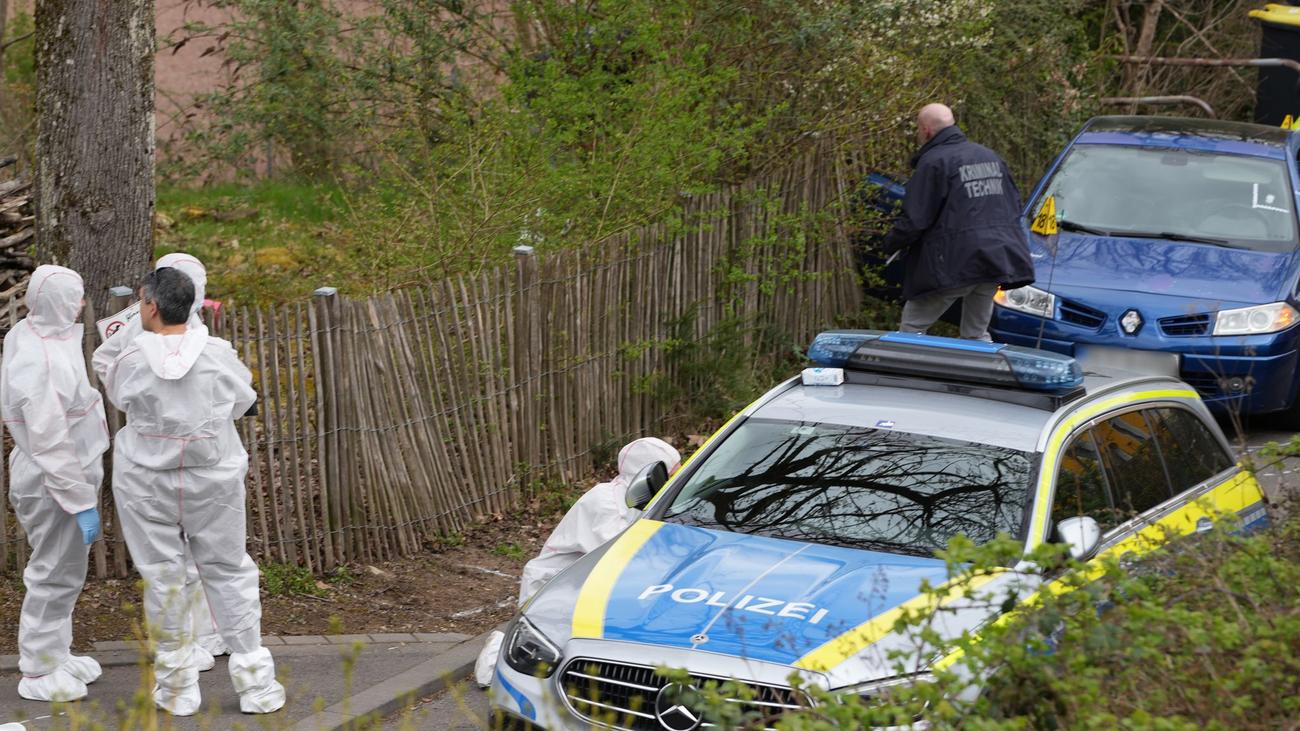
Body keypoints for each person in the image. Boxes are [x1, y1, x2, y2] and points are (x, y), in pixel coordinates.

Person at [95, 268, 285, 716]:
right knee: (229, 571)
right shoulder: (218, 354)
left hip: (147, 481)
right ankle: (256, 683)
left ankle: (178, 688)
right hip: (211, 476)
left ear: (151, 306)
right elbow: (242, 400)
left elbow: (118, 394)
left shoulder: (133, 357)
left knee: (164, 577)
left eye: (142, 302)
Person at [91, 252, 229, 669]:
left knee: (209, 553)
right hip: (157, 456)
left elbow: (236, 395)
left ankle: (208, 631)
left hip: (206, 454)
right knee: (170, 558)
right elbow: (107, 361)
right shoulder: (139, 322)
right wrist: (144, 403)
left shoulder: (204, 330)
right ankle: (179, 643)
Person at [473, 437, 682, 686]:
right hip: (558, 589)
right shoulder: (606, 503)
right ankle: (500, 651)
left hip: (586, 584)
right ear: (651, 472)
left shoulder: (636, 500)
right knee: (550, 664)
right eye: (673, 472)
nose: (678, 478)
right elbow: (619, 557)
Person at [1, 266, 110, 702]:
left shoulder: (33, 331)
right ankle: (38, 670)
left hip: (63, 472)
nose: (82, 304)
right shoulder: (40, 363)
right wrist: (79, 499)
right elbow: (50, 443)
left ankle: (55, 652)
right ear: (59, 303)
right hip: (55, 480)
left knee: (66, 570)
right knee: (53, 572)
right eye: (77, 297)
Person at [882, 103, 1035, 341]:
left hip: (954, 263)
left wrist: (889, 245)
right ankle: (985, 375)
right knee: (976, 335)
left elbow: (915, 220)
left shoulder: (933, 162)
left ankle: (907, 376)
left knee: (912, 330)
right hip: (994, 261)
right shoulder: (990, 157)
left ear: (926, 130)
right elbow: (1014, 207)